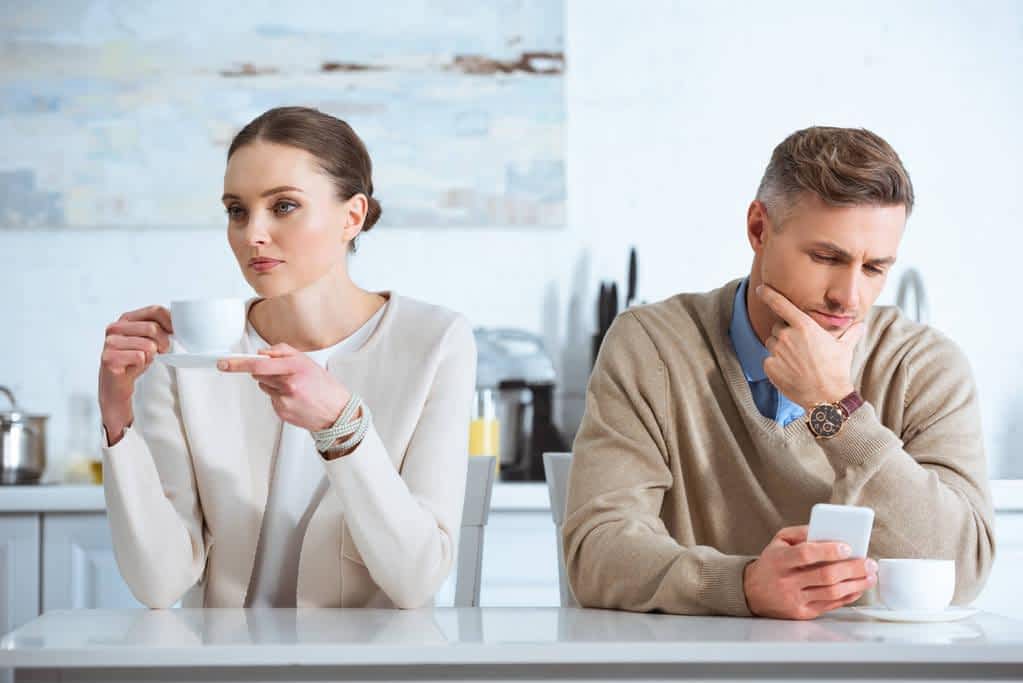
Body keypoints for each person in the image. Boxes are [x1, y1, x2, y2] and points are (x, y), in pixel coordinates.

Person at [564, 126, 994, 620]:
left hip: (871, 668)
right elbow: (595, 553)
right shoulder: (652, 346)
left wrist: (833, 405)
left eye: (874, 268)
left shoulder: (924, 367)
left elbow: (963, 572)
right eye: (826, 257)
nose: (848, 297)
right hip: (698, 667)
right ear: (758, 229)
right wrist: (742, 585)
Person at [98, 106, 476, 609]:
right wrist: (117, 420)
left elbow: (416, 580)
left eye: (283, 207)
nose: (252, 233)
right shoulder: (190, 359)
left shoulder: (435, 342)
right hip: (226, 668)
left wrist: (341, 428)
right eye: (237, 210)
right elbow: (158, 583)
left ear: (352, 215)